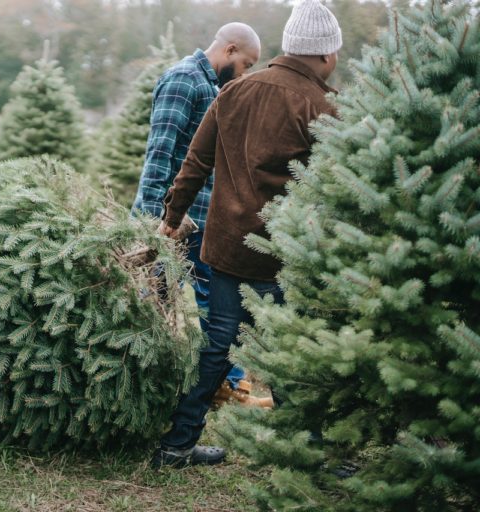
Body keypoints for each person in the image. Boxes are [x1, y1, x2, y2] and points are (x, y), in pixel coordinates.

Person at [151, 0, 342, 468]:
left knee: (216, 344)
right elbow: (336, 189)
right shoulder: (322, 107)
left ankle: (176, 446)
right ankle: (307, 453)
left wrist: (171, 218)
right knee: (288, 350)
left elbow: (194, 163)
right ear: (324, 54)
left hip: (224, 248)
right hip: (282, 254)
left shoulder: (235, 91)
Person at [133, 22, 261, 397]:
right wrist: (155, 219)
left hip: (202, 218)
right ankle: (147, 383)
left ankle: (230, 384)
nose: (246, 72)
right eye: (247, 64)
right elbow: (159, 152)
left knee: (218, 302)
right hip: (173, 219)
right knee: (153, 298)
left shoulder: (210, 87)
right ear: (231, 50)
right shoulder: (183, 81)